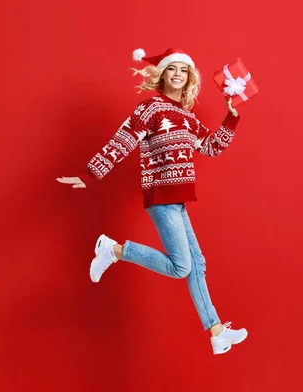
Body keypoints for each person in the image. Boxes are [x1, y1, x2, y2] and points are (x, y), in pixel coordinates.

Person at [56, 48, 248, 355]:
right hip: (160, 196)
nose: (177, 75)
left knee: (196, 264)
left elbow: (211, 147)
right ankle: (114, 249)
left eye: (183, 71)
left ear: (188, 78)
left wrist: (232, 117)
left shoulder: (187, 117)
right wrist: (91, 173)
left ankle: (216, 333)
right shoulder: (150, 109)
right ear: (162, 74)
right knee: (182, 266)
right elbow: (123, 140)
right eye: (172, 69)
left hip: (179, 200)